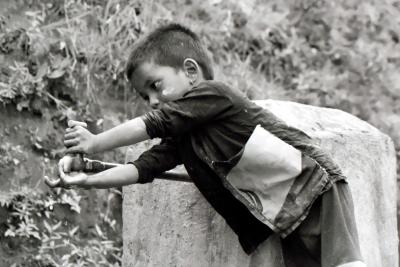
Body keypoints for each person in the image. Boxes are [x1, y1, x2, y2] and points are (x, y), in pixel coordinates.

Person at [46, 23, 365, 267]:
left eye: (155, 86)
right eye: (146, 97)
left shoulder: (213, 94)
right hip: (282, 213)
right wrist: (86, 180)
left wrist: (94, 142)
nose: (154, 102)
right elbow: (141, 169)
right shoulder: (183, 138)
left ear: (190, 71)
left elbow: (154, 123)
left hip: (315, 186)